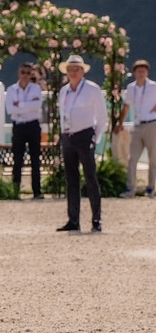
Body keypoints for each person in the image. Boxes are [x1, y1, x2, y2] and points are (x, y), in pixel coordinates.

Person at [55, 54, 107, 233]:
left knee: (90, 178)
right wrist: (63, 135)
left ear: (82, 71)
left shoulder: (93, 89)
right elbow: (63, 115)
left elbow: (102, 117)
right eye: (69, 69)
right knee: (71, 180)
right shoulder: (64, 91)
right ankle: (73, 219)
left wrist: (94, 138)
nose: (72, 72)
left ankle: (96, 220)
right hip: (68, 136)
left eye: (75, 69)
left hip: (85, 135)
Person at [5, 62, 45, 199]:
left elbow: (37, 105)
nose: (25, 76)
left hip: (33, 126)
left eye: (28, 73)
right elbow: (10, 109)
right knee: (17, 159)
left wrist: (20, 105)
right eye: (23, 72)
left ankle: (37, 191)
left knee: (35, 160)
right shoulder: (11, 89)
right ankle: (15, 191)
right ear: (19, 73)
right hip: (19, 126)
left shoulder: (36, 89)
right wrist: (28, 106)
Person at [117, 58, 156, 197]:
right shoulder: (131, 88)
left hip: (152, 123)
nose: (141, 74)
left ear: (147, 72)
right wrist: (120, 123)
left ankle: (151, 187)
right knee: (132, 158)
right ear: (134, 73)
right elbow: (126, 106)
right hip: (137, 125)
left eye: (143, 71)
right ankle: (130, 188)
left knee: (153, 158)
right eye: (139, 71)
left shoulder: (153, 86)